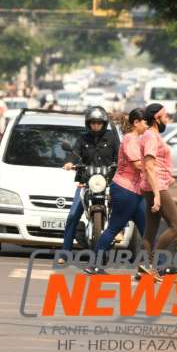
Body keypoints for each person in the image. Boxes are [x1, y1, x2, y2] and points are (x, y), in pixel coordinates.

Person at [85, 109, 148, 275]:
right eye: (145, 122)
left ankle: (157, 266)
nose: (147, 126)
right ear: (136, 123)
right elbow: (138, 164)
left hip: (135, 191)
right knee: (114, 228)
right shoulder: (130, 140)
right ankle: (95, 264)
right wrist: (156, 167)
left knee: (147, 229)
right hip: (125, 190)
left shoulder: (137, 139)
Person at [58, 106, 120, 264]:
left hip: (108, 182)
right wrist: (70, 162)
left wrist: (121, 165)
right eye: (93, 123)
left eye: (99, 123)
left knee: (122, 207)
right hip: (86, 182)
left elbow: (120, 155)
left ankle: (120, 231)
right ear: (88, 123)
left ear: (104, 123)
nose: (96, 126)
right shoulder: (83, 139)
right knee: (73, 215)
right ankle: (65, 253)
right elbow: (75, 153)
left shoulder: (112, 138)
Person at [140, 103, 177, 280]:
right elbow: (149, 166)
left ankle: (145, 266)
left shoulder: (153, 135)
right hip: (157, 186)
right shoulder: (150, 136)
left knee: (151, 229)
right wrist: (157, 194)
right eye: (165, 116)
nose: (167, 119)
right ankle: (153, 264)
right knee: (176, 225)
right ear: (157, 118)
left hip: (155, 185)